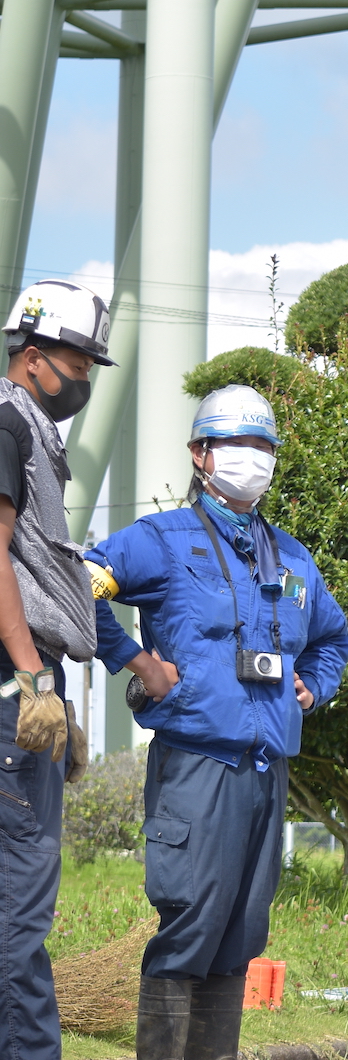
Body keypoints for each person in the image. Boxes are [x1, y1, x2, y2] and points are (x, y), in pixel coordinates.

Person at [87, 384, 348, 1060]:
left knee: (240, 932)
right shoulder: (164, 541)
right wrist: (136, 660)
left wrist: (312, 687)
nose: (253, 459)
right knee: (191, 924)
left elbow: (331, 636)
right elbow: (80, 580)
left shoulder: (292, 560)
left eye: (263, 446)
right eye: (239, 444)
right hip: (197, 766)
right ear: (201, 453)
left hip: (267, 770)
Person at [0, 280, 110, 1060]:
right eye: (79, 361)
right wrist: (35, 677)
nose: (88, 377)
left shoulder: (31, 431)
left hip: (20, 686)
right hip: (13, 691)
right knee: (20, 906)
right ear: (33, 357)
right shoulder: (8, 422)